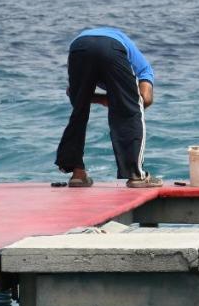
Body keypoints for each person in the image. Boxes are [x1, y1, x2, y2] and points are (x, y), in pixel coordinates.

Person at [55, 26, 161, 187]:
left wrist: (103, 100)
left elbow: (73, 94)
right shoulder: (142, 67)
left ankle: (77, 174)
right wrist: (131, 106)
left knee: (79, 110)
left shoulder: (94, 51)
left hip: (78, 46)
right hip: (112, 47)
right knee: (131, 112)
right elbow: (144, 98)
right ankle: (136, 176)